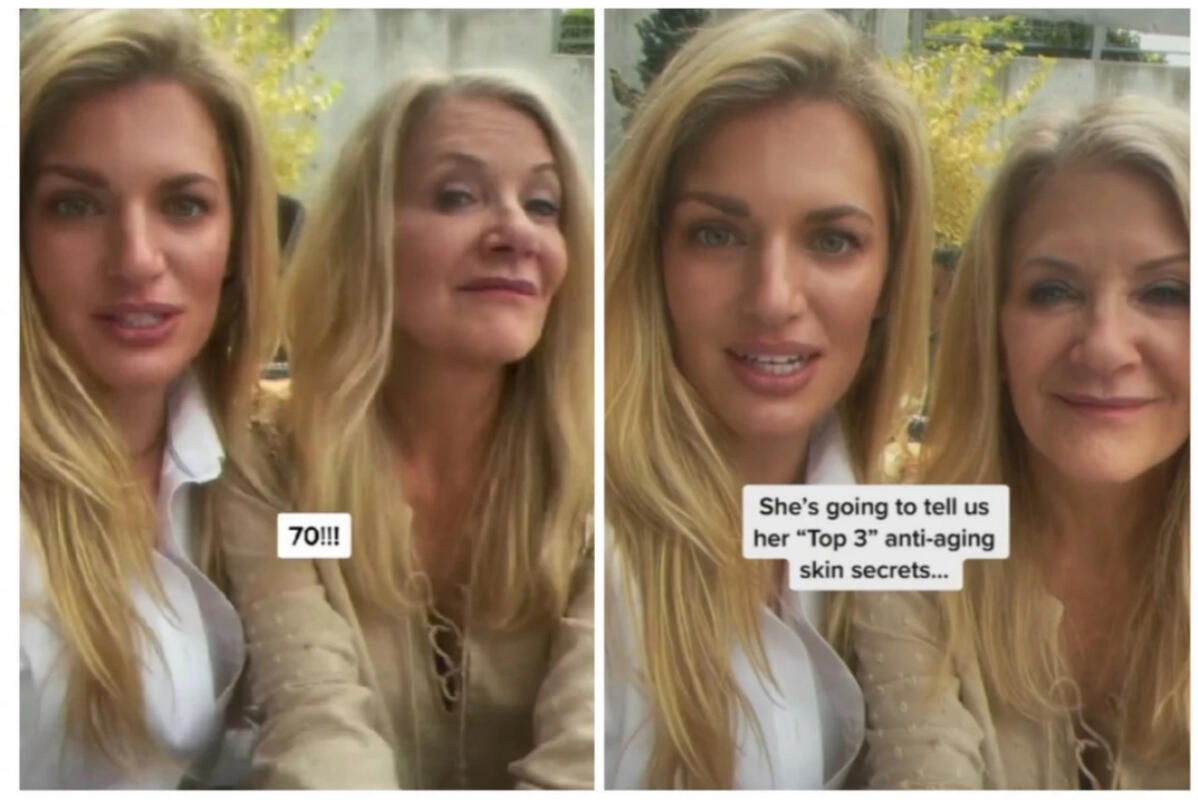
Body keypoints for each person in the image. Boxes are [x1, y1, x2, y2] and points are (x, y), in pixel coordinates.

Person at [219, 71, 594, 789]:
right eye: (457, 196)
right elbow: (314, 718)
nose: (517, 232)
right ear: (367, 238)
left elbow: (586, 754)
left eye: (543, 205)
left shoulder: (607, 469)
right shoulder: (270, 458)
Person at [604, 10, 932, 789]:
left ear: (891, 275)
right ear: (652, 255)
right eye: (717, 235)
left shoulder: (909, 532)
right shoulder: (584, 548)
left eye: (832, 240)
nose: (774, 297)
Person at [852, 96, 1189, 789]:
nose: (1105, 348)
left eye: (1167, 292)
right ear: (993, 328)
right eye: (1053, 291)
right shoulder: (893, 537)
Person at [19, 9, 277, 789]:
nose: (135, 259)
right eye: (75, 204)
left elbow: (336, 551)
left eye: (184, 205)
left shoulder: (262, 460)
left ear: (236, 241)